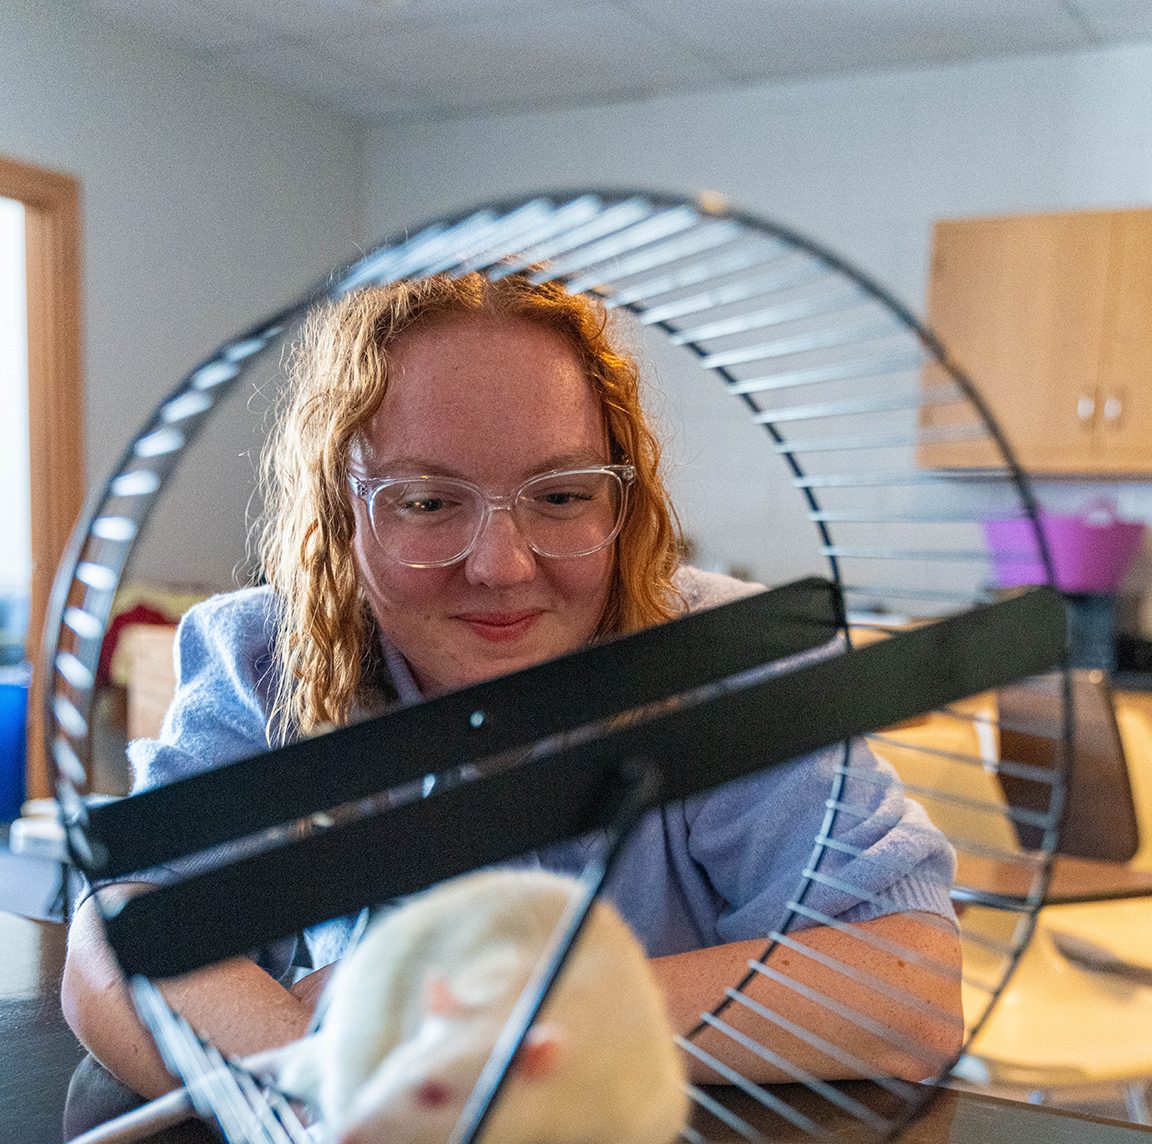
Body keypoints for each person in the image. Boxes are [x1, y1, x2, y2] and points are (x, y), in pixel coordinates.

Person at [61, 272, 962, 1101]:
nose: (501, 566)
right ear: (342, 512)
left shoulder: (732, 661)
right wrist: (323, 1100)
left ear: (625, 503)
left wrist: (505, 1024)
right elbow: (120, 935)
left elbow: (908, 990)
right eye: (427, 502)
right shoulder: (265, 658)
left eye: (562, 497)